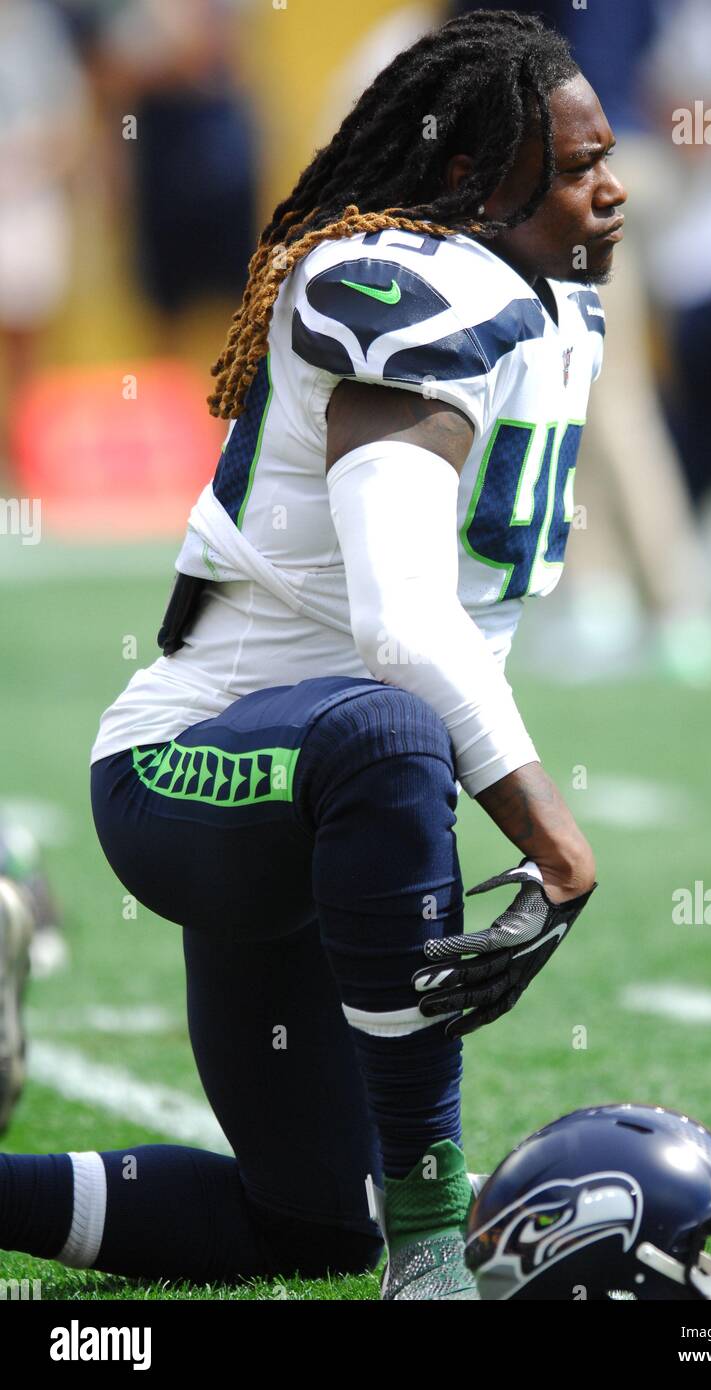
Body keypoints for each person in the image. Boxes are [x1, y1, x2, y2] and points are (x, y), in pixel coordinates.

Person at [0, 9, 621, 1299]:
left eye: (602, 154)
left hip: (325, 809)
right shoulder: (404, 287)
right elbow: (399, 626)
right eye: (571, 166)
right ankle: (435, 1237)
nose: (608, 186)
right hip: (189, 776)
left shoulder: (553, 302)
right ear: (467, 181)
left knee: (306, 1225)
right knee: (391, 726)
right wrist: (552, 835)